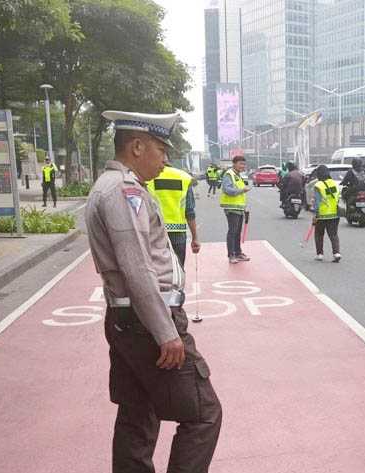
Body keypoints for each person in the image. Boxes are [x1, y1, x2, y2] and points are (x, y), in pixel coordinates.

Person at [85, 110, 222, 472]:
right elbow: (137, 268)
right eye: (161, 149)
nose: (165, 159)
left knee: (138, 413)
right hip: (148, 322)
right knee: (204, 413)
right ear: (136, 146)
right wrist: (166, 332)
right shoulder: (123, 191)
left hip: (128, 319)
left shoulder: (113, 187)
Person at [147, 160, 201, 268]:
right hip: (177, 232)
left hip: (154, 231)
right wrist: (195, 237)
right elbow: (189, 211)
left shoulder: (147, 177)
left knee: (156, 270)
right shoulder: (183, 178)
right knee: (177, 268)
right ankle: (178, 285)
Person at [220, 154, 251, 264]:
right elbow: (227, 189)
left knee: (237, 232)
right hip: (231, 207)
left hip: (239, 208)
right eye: (241, 164)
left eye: (244, 164)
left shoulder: (237, 175)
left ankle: (238, 253)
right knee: (232, 231)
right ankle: (231, 254)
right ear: (234, 164)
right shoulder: (229, 174)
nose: (243, 166)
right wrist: (242, 190)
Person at [312, 164, 342, 262]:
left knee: (319, 234)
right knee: (333, 234)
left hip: (322, 215)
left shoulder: (318, 185)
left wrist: (315, 214)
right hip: (334, 214)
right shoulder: (334, 183)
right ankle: (336, 253)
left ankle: (320, 254)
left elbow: (317, 201)